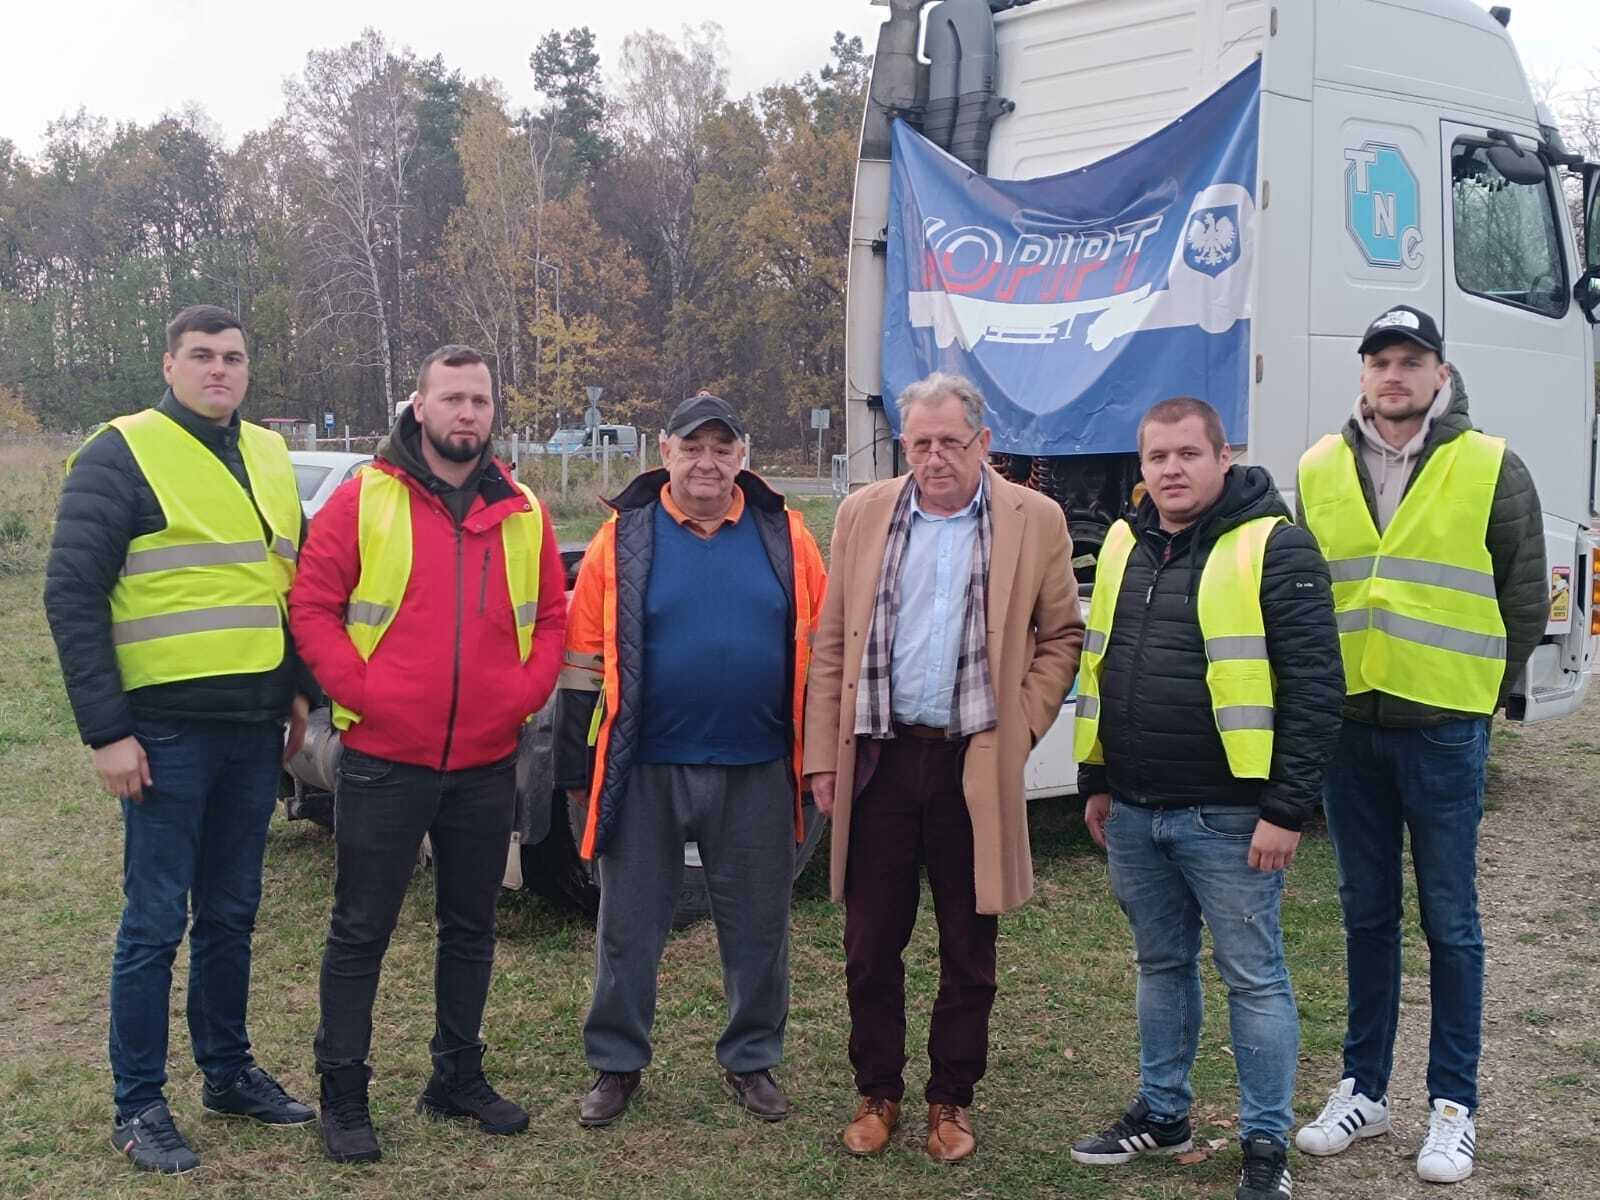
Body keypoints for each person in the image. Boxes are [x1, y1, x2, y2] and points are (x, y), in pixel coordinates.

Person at [44, 304, 316, 1174]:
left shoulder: (269, 455)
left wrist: (300, 689)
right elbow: (72, 595)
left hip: (253, 727)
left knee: (233, 912)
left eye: (233, 357)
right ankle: (138, 1105)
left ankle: (228, 1073)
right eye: (201, 356)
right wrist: (108, 732)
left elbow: (287, 581)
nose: (219, 371)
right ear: (170, 365)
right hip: (164, 733)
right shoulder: (119, 451)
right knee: (156, 921)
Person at [288, 344, 567, 1163]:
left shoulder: (523, 508)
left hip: (485, 761)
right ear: (420, 407)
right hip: (384, 759)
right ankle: (343, 1092)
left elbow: (552, 618)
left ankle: (456, 1076)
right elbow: (312, 606)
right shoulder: (365, 498)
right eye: (452, 399)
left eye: (479, 400)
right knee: (360, 930)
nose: (467, 414)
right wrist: (364, 695)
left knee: (470, 926)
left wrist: (520, 697)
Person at [1294, 306, 1547, 1184]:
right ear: (1361, 377)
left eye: (1411, 360)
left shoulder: (1490, 465)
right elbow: (1301, 594)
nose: (1393, 375)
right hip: (1348, 730)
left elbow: (1522, 596)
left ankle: (1453, 1106)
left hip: (1442, 729)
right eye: (1380, 361)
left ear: (1441, 374)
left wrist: (1486, 699)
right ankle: (1363, 1090)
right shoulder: (1319, 467)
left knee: (1451, 923)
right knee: (1365, 914)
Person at [802, 371, 1081, 1164]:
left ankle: (950, 1100)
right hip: (881, 764)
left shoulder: (1034, 520)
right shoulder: (863, 514)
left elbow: (1062, 635)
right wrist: (824, 756)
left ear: (983, 443)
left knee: (969, 946)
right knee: (868, 944)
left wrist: (1021, 725)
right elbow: (832, 644)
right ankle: (878, 1091)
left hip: (972, 765)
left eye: (950, 443)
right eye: (918, 443)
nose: (933, 458)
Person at [1070, 396, 1343, 1200]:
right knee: (1161, 965)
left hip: (1231, 815)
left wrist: (1286, 808)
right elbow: (1103, 665)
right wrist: (1095, 778)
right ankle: (1163, 1113)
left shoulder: (1277, 546)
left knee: (1254, 978)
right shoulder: (1124, 542)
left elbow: (1315, 688)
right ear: (1142, 468)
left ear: (1225, 457)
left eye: (1188, 454)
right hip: (1136, 807)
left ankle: (1265, 1143)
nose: (1171, 471)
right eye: (1157, 458)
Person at [554, 391, 826, 1128]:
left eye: (723, 448)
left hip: (760, 764)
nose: (708, 462)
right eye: (692, 446)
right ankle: (616, 1065)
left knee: (759, 926)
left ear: (743, 457)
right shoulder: (623, 539)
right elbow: (580, 665)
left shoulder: (787, 535)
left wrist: (822, 756)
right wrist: (575, 776)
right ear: (664, 452)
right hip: (645, 769)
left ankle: (752, 1060)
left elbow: (822, 654)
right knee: (628, 926)